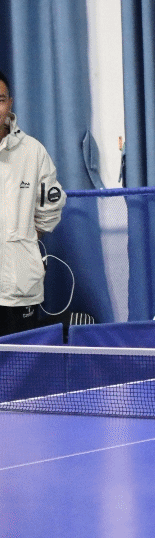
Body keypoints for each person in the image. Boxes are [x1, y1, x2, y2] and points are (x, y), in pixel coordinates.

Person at [0, 70, 66, 337]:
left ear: (10, 103)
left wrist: (27, 236)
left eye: (0, 99)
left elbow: (51, 205)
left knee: (19, 361)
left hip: (19, 289)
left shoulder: (32, 151)